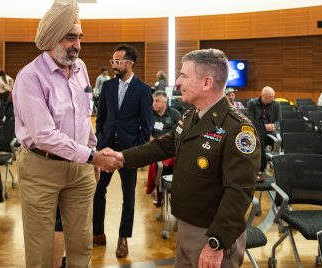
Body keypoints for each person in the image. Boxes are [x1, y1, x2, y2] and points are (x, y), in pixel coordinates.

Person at [104, 48, 260, 267]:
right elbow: (163, 145)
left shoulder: (238, 130)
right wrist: (121, 158)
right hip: (186, 225)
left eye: (184, 76)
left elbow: (239, 193)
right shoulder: (191, 115)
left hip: (211, 235)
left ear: (206, 82)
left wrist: (216, 243)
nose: (177, 82)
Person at [12, 1, 120, 267]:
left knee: (82, 244)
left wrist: (90, 151)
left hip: (81, 169)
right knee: (40, 251)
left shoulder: (81, 68)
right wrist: (93, 156)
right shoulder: (29, 77)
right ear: (51, 38)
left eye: (80, 37)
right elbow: (45, 136)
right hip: (41, 169)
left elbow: (84, 116)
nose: (78, 45)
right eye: (71, 37)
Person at [93, 44, 153, 258]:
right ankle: (97, 233)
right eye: (113, 61)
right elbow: (101, 119)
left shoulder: (144, 90)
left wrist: (136, 150)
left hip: (129, 152)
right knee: (98, 192)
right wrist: (100, 141)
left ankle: (123, 237)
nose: (114, 65)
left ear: (129, 63)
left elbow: (146, 127)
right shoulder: (107, 87)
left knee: (129, 197)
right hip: (106, 149)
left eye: (117, 62)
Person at [146, 90, 180, 205]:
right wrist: (152, 140)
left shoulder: (175, 114)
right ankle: (158, 188)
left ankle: (173, 188)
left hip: (171, 146)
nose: (153, 103)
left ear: (164, 102)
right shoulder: (149, 114)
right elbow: (147, 133)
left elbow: (179, 132)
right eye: (153, 101)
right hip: (154, 145)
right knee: (157, 163)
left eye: (157, 101)